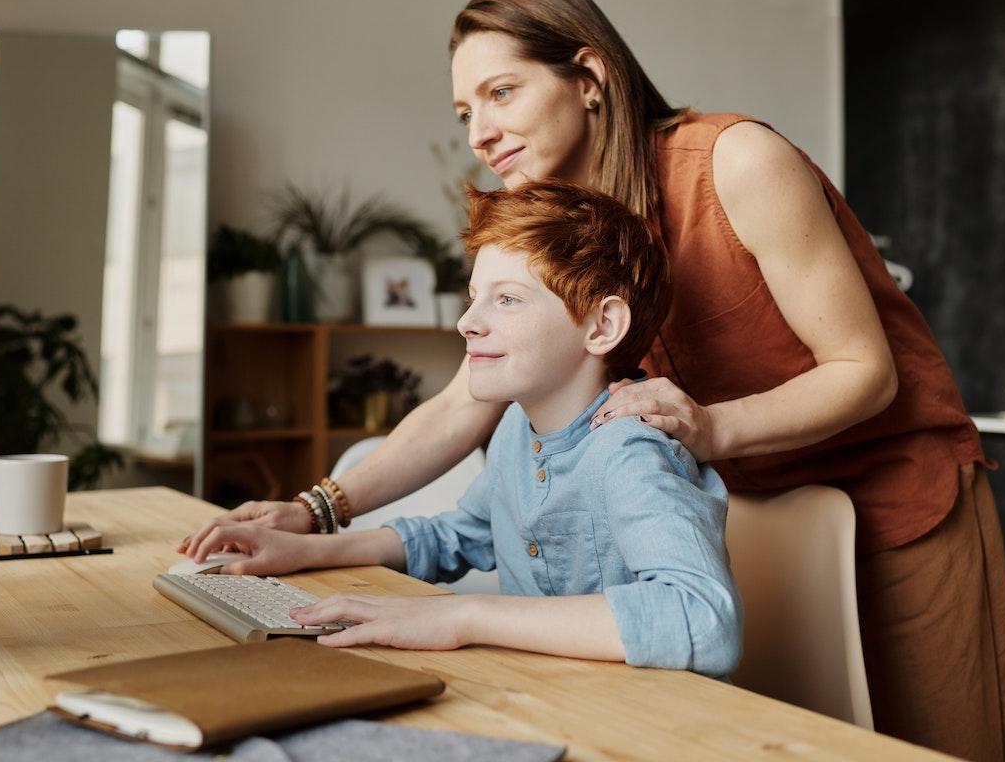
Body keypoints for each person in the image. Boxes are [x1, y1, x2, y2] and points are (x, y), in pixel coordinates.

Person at [182, 0, 1005, 760]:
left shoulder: (736, 161)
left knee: (934, 747)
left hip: (898, 496)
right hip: (751, 505)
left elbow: (864, 370)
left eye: (501, 93)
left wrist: (710, 425)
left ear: (589, 75)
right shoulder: (560, 223)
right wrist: (314, 510)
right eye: (464, 111)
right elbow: (461, 402)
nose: (479, 132)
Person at [185, 181, 743, 674]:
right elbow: (462, 535)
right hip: (541, 695)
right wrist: (305, 549)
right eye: (475, 296)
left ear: (601, 326)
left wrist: (464, 615)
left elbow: (702, 617)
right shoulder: (515, 432)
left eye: (506, 300)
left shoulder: (631, 450)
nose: (467, 322)